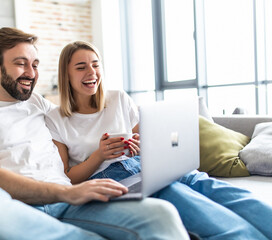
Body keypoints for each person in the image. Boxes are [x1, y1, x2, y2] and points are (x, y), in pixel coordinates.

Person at [0, 27, 190, 240]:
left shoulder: (39, 104)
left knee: (160, 214)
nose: (31, 74)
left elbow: (79, 126)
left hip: (72, 205)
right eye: (21, 64)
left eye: (34, 65)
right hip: (19, 209)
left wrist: (119, 140)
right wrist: (66, 192)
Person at [45, 40, 272, 240]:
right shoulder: (56, 119)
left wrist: (139, 145)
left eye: (95, 64)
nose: (91, 72)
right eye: (81, 67)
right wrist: (99, 156)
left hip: (148, 165)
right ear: (66, 74)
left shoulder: (118, 98)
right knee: (194, 206)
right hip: (114, 177)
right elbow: (67, 178)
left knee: (217, 188)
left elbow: (142, 138)